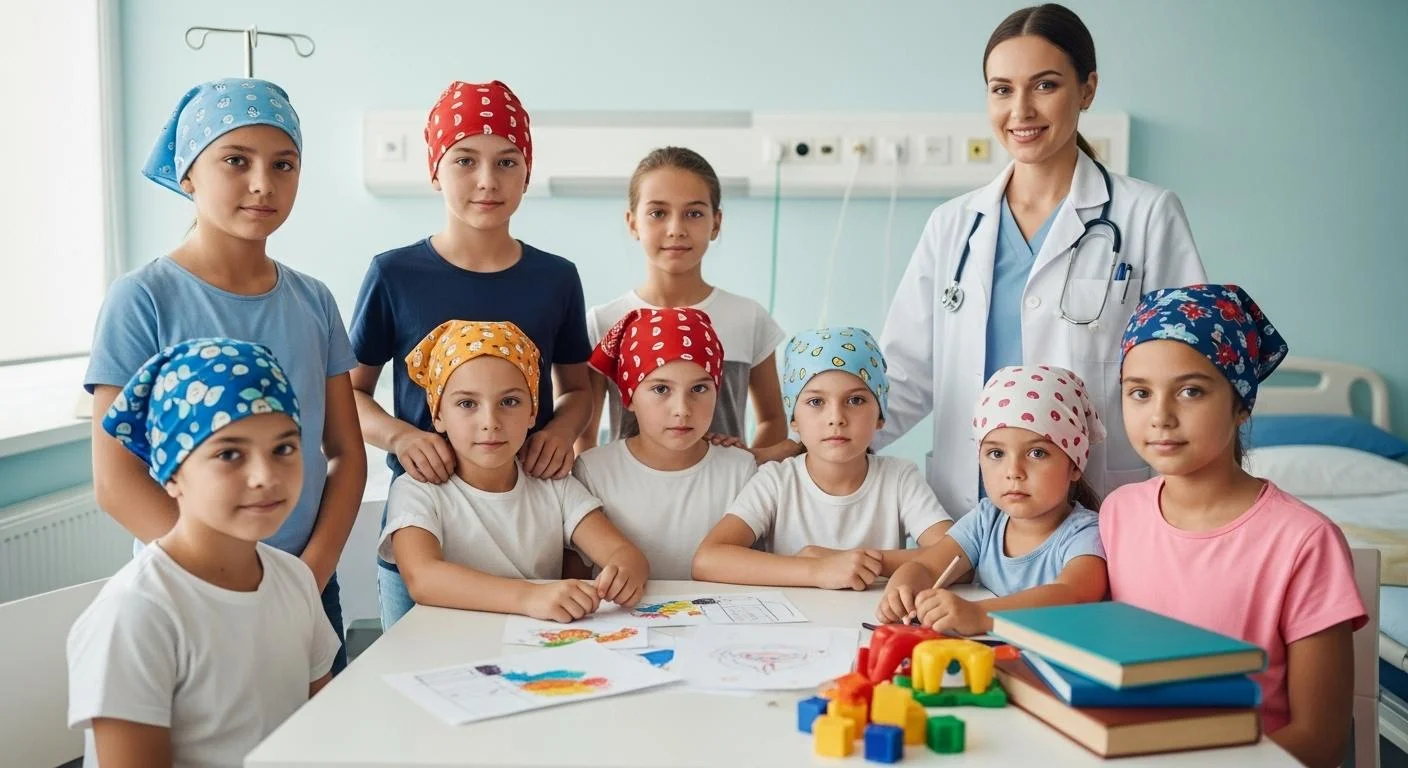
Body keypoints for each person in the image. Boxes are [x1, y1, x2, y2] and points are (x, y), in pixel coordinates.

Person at [877, 3, 1206, 515]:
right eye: (1002, 90)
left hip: (1097, 502)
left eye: (1045, 85)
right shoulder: (953, 225)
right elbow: (904, 375)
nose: (1021, 110)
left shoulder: (1146, 215)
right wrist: (807, 444)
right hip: (970, 506)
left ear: (1087, 90)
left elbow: (1188, 368)